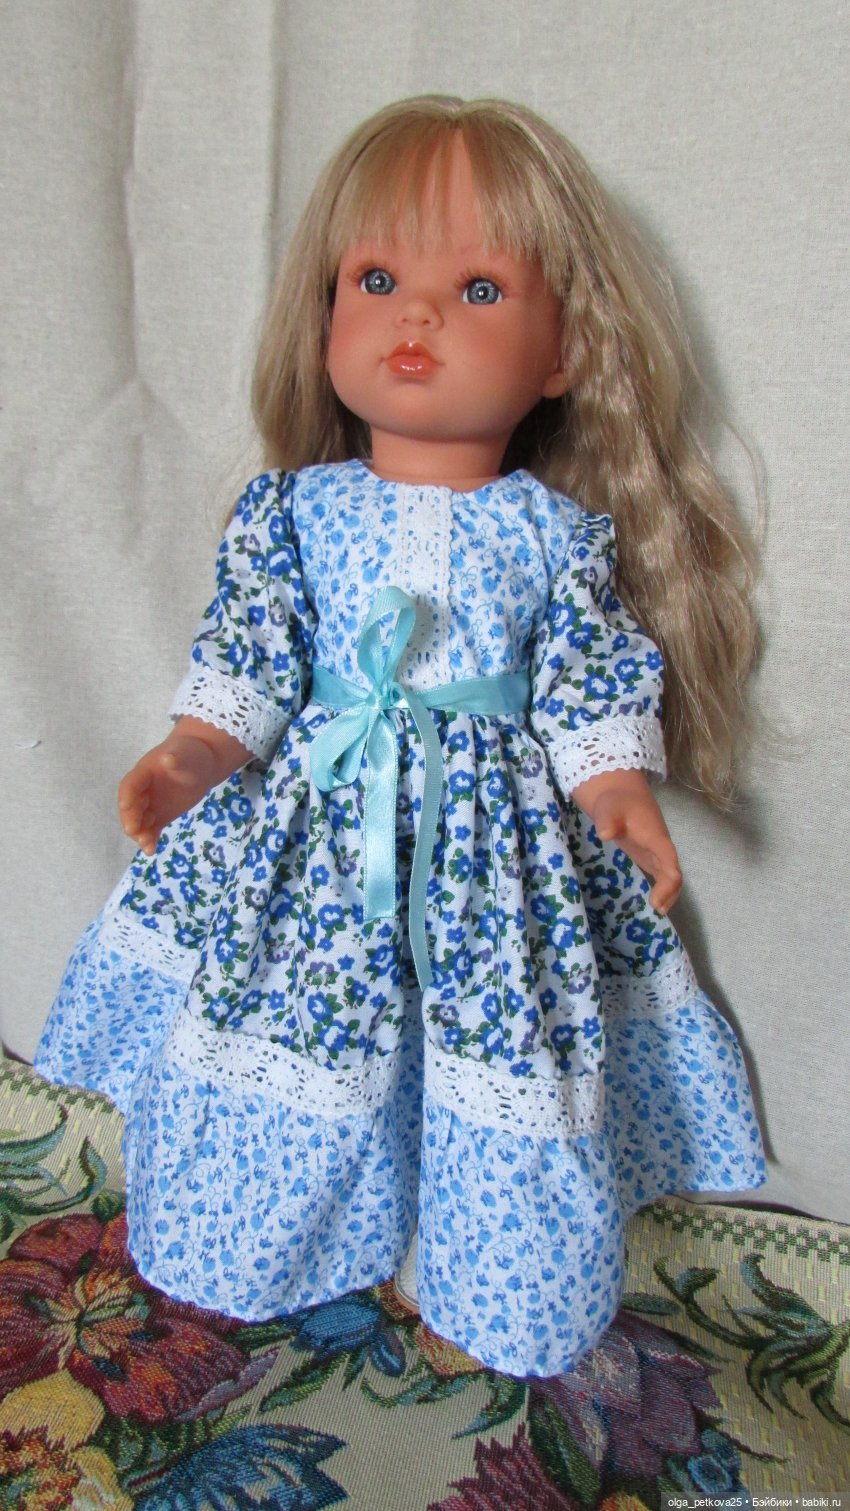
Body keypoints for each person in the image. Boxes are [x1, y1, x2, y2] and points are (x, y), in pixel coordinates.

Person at [34, 95, 766, 1378]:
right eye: (376, 280)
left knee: (488, 1032)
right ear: (324, 312)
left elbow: (581, 680)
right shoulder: (293, 511)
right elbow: (252, 652)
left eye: (478, 289)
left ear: (562, 354)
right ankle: (285, 1242)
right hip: (318, 840)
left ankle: (475, 1276)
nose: (415, 316)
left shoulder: (554, 534)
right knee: (309, 1021)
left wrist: (616, 792)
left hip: (494, 861)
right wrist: (197, 750)